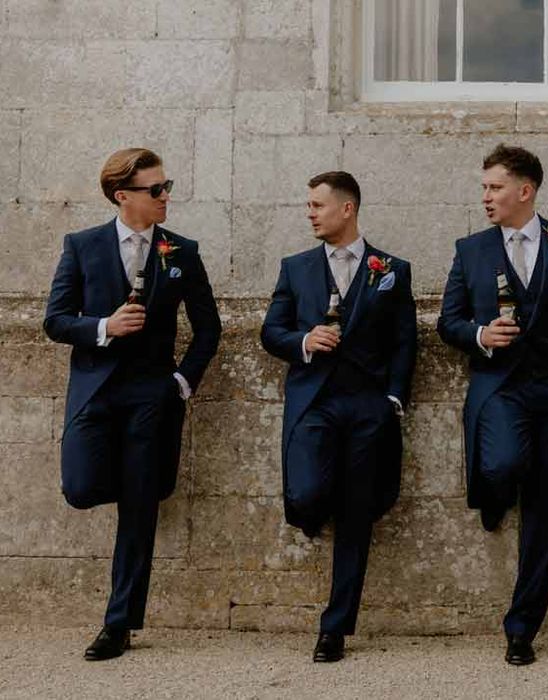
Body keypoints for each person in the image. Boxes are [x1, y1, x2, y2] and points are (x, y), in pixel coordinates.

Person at [43, 148, 221, 660]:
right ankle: (135, 480)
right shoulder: (82, 246)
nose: (167, 196)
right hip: (95, 393)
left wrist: (182, 383)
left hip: (152, 396)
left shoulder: (181, 251)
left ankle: (118, 623)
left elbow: (208, 327)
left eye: (167, 186)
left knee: (139, 508)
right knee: (79, 488)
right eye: (156, 189)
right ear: (123, 196)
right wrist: (103, 327)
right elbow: (55, 320)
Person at [437, 144, 548, 665]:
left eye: (494, 187)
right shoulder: (471, 249)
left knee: (547, 508)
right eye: (485, 188)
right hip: (501, 388)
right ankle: (495, 491)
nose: (486, 197)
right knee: (503, 463)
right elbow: (449, 321)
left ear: (525, 191)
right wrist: (482, 333)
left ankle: (522, 627)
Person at [260, 171, 417, 662]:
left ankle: (335, 627)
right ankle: (310, 512)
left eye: (317, 205)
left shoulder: (391, 268)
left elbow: (404, 340)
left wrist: (393, 398)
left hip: (368, 407)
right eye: (308, 205)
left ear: (346, 209)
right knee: (306, 493)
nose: (310, 212)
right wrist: (304, 341)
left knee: (357, 515)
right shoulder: (296, 268)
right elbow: (271, 331)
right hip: (314, 402)